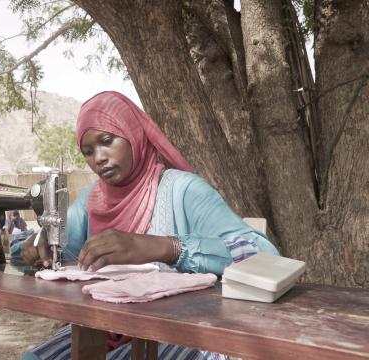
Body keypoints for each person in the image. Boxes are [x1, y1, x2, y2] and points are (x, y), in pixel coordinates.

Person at [21, 91, 279, 360]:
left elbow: (266, 257)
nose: (98, 158)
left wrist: (168, 248)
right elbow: (61, 248)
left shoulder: (183, 190)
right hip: (106, 326)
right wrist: (37, 247)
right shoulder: (92, 199)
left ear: (134, 134)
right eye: (88, 151)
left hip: (180, 329)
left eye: (107, 141)